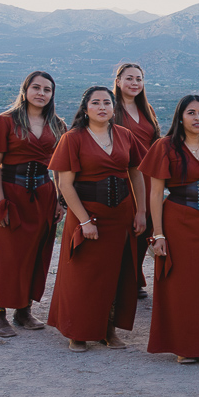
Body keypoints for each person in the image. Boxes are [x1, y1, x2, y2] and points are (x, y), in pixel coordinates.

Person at [47, 87, 146, 352]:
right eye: (96, 102)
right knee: (83, 275)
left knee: (116, 273)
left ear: (114, 108)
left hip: (121, 216)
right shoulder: (73, 138)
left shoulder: (125, 136)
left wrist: (141, 211)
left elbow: (137, 174)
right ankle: (77, 332)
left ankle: (108, 330)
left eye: (107, 102)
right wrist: (84, 221)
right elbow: (66, 185)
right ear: (86, 107)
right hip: (87, 215)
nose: (102, 107)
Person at [142, 95, 199, 369]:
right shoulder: (165, 146)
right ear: (180, 117)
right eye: (191, 113)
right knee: (183, 288)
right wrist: (158, 234)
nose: (197, 118)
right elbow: (156, 193)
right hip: (177, 220)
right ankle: (185, 345)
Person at [0, 71, 66, 336]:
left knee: (36, 253)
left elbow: (59, 168)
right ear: (25, 90)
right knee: (7, 256)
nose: (41, 93)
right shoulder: (4, 121)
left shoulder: (57, 125)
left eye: (47, 89)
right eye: (36, 87)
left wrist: (60, 200)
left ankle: (23, 311)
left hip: (43, 194)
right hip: (10, 194)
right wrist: (0, 200)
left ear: (52, 94)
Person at [113, 62, 160, 299]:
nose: (134, 83)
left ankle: (134, 275)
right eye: (129, 78)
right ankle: (123, 279)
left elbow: (155, 142)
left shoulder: (147, 109)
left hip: (149, 176)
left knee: (146, 227)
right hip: (123, 175)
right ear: (118, 81)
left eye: (139, 79)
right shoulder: (110, 108)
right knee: (127, 226)